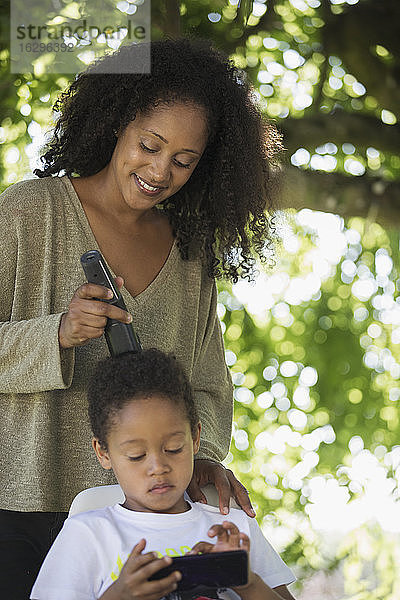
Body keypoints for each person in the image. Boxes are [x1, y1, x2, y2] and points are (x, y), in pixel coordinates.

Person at [0, 38, 281, 596]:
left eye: (184, 160)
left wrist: (198, 458)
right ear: (116, 123)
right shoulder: (27, 213)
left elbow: (207, 389)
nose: (160, 171)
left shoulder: (190, 258)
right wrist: (54, 332)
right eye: (149, 145)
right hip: (16, 508)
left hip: (142, 524)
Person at [31, 349, 296, 600]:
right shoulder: (88, 534)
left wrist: (245, 580)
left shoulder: (234, 528)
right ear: (103, 452)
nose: (158, 466)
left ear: (195, 438)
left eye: (173, 448)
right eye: (136, 455)